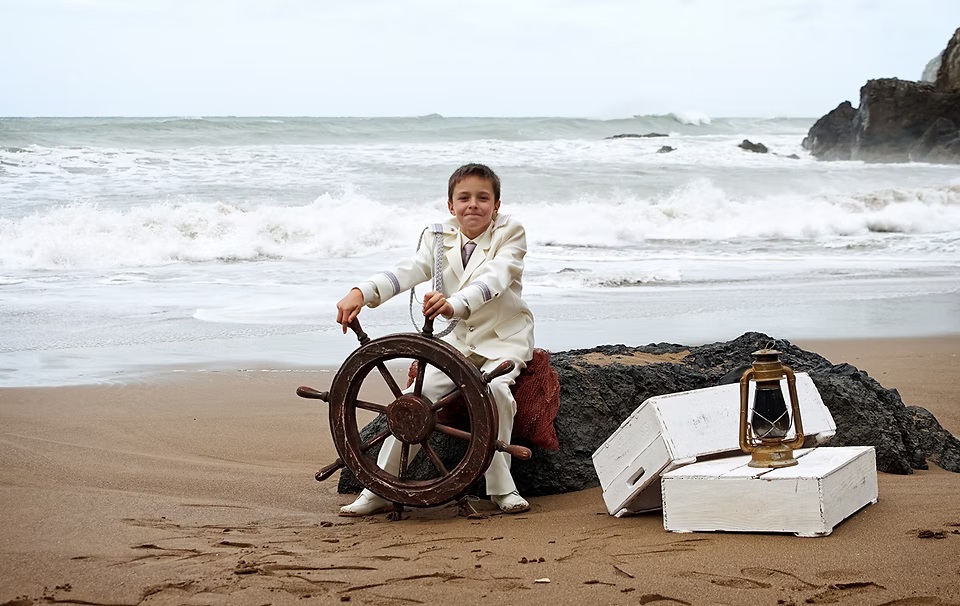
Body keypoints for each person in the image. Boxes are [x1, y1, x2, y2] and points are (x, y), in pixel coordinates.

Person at [335, 163, 535, 516]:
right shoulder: (438, 238)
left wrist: (454, 304)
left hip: (504, 339)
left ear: (497, 205)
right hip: (458, 343)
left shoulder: (511, 232)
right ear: (450, 205)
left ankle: (503, 488)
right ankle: (379, 487)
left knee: (498, 393)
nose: (473, 204)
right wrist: (361, 292)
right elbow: (408, 271)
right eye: (464, 197)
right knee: (416, 400)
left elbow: (496, 278)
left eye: (483, 198)